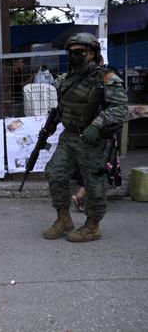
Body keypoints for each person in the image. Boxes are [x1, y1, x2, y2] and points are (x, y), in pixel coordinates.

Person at [43, 32, 128, 243]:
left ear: (91, 54)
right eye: (71, 52)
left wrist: (97, 124)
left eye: (79, 52)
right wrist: (52, 125)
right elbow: (63, 107)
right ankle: (63, 219)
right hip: (69, 136)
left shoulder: (106, 78)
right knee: (55, 173)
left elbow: (120, 108)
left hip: (93, 140)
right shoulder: (66, 79)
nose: (74, 56)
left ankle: (92, 226)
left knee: (94, 182)